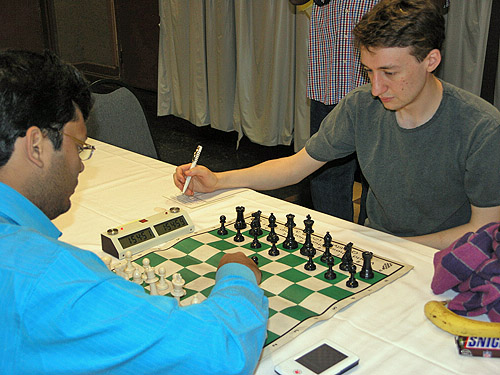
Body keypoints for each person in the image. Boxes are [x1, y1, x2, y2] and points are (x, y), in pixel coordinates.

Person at [0, 50, 268, 374]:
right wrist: (237, 275)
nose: (81, 167)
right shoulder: (50, 275)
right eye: (80, 147)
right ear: (36, 146)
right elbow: (217, 351)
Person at [175, 0, 500, 251]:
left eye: (389, 73)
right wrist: (218, 180)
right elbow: (294, 167)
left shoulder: (481, 129)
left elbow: (483, 231)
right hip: (379, 249)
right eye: (368, 71)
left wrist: (397, 249)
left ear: (431, 60)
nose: (376, 88)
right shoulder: (362, 106)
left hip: (446, 258)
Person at [292, 0, 379, 223]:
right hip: (330, 75)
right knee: (326, 175)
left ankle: (374, 250)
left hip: (382, 83)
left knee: (380, 180)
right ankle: (334, 250)